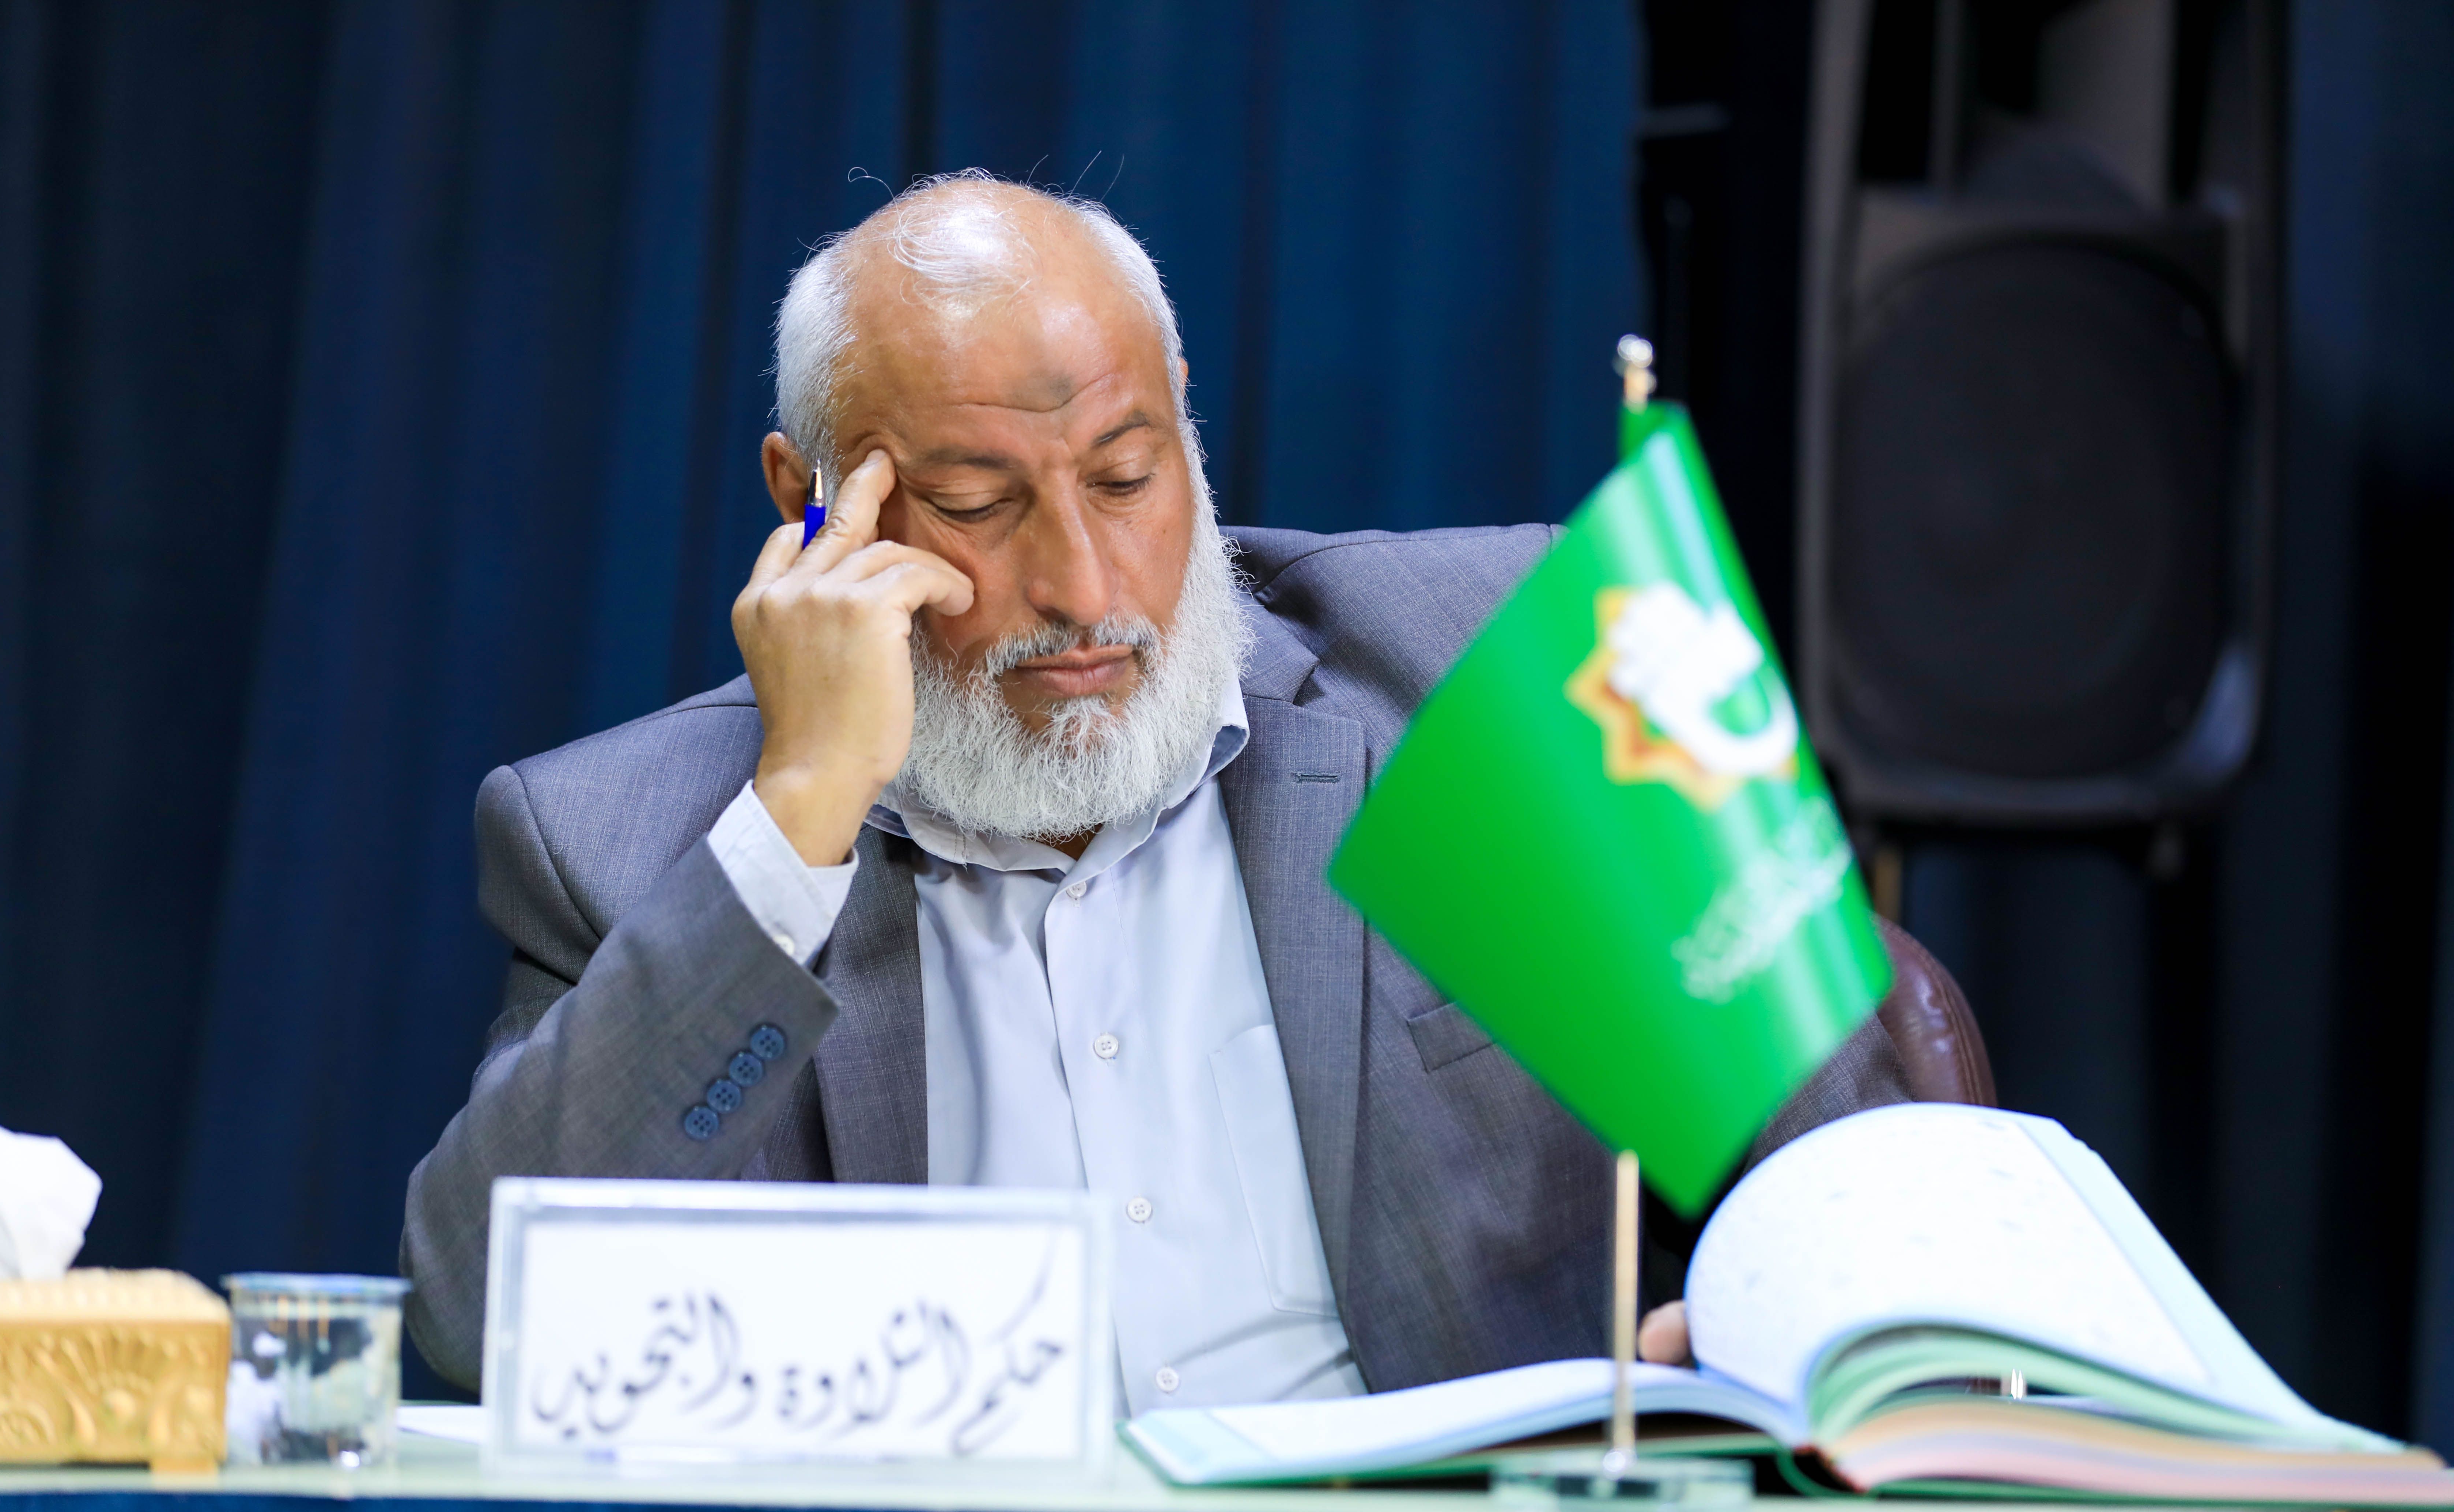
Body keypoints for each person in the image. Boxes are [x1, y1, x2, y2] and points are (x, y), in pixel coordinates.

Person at [400, 173, 1907, 1405]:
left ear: (1182, 415)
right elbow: (483, 1321)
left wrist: (1798, 1321)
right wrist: (799, 810)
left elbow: (1863, 1147)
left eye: (1126, 477)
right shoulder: (619, 843)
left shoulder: (1494, 666)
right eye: (978, 504)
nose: (1084, 586)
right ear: (813, 503)